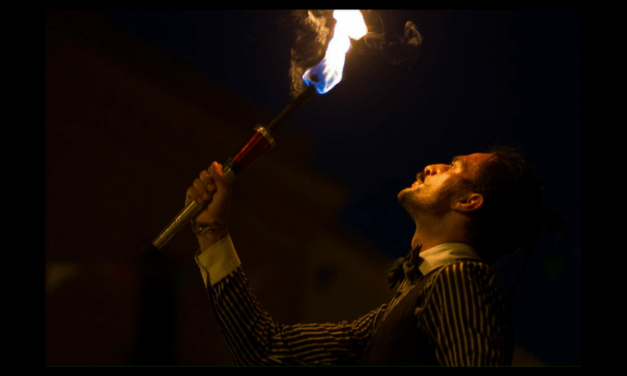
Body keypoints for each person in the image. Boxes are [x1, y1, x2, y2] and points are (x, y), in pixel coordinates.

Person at [186, 146, 562, 366]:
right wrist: (212, 230)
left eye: (455, 167)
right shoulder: (391, 315)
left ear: (468, 202)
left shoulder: (461, 278)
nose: (432, 166)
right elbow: (266, 348)